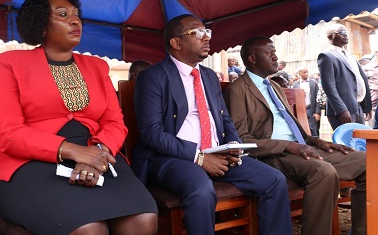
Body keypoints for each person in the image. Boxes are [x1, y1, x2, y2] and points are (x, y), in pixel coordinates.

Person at [0, 0, 158, 235]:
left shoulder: (97, 66)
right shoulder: (11, 63)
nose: (75, 20)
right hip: (30, 164)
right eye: (63, 14)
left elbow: (115, 123)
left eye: (76, 14)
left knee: (142, 221)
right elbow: (7, 132)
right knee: (88, 229)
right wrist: (74, 151)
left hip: (98, 156)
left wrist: (96, 154)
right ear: (41, 25)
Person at [132, 15, 292, 235]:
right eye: (198, 33)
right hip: (171, 157)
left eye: (207, 32)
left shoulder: (208, 76)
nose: (206, 38)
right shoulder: (153, 77)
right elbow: (152, 133)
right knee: (201, 190)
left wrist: (233, 143)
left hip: (218, 153)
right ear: (176, 43)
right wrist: (199, 158)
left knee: (274, 180)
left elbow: (224, 117)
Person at [223, 36, 366, 235]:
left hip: (302, 148)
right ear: (252, 59)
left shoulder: (274, 87)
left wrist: (318, 141)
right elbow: (241, 140)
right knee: (323, 172)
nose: (275, 57)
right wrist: (287, 146)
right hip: (273, 155)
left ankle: (362, 231)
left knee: (370, 162)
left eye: (274, 52)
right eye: (269, 52)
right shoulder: (237, 90)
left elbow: (296, 129)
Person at [318, 23, 372, 131]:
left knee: (361, 144)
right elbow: (329, 86)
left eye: (346, 32)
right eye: (341, 32)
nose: (346, 35)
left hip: (358, 107)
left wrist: (366, 106)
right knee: (347, 145)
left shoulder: (350, 56)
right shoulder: (326, 56)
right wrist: (341, 109)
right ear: (330, 36)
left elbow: (362, 79)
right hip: (343, 111)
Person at [293, 68, 321, 136]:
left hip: (311, 109)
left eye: (307, 72)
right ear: (299, 74)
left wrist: (317, 112)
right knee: (303, 131)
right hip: (301, 110)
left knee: (314, 131)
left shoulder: (313, 83)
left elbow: (318, 98)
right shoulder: (296, 84)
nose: (306, 74)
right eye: (304, 72)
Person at [360, 48, 378, 127]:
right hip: (372, 108)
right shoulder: (366, 68)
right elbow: (362, 88)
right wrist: (366, 107)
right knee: (371, 135)